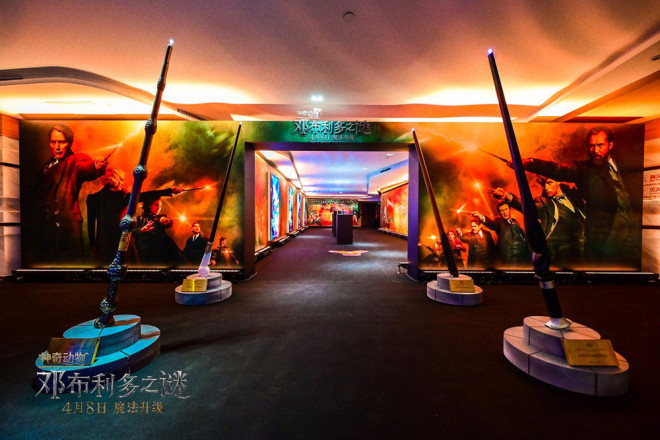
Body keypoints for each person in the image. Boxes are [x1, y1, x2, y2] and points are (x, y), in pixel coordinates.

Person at [518, 126, 636, 263]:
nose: (595, 150)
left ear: (610, 145)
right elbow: (558, 170)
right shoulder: (583, 170)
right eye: (592, 146)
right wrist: (531, 164)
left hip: (631, 237)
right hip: (602, 239)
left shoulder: (626, 164)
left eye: (600, 145)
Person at [34, 124, 106, 260]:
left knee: (71, 261)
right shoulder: (45, 166)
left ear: (69, 143)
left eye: (61, 142)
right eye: (53, 142)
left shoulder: (76, 161)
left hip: (67, 226)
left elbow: (86, 168)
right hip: (46, 226)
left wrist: (96, 166)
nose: (57, 146)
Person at [86, 167, 182, 265]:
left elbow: (91, 224)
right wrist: (170, 191)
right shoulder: (123, 197)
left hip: (103, 244)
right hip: (122, 241)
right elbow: (147, 195)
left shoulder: (93, 198)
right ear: (116, 181)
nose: (123, 183)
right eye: (121, 180)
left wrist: (92, 245)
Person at [495, 178, 585, 269]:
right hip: (559, 256)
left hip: (582, 252)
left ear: (558, 181)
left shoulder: (573, 196)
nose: (546, 187)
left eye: (549, 183)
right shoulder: (545, 203)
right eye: (543, 185)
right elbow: (529, 208)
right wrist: (509, 197)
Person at [472, 201, 530, 267]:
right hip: (509, 258)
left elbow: (523, 236)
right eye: (502, 211)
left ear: (509, 209)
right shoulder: (499, 222)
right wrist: (481, 217)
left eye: (506, 209)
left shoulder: (514, 221)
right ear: (499, 213)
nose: (504, 212)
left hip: (522, 257)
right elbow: (491, 224)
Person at [133, 195, 186, 266]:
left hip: (163, 252)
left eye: (160, 206)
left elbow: (159, 220)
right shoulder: (138, 219)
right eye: (156, 205)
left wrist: (164, 221)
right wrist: (141, 230)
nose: (159, 208)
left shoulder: (158, 217)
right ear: (149, 205)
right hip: (148, 254)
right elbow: (131, 232)